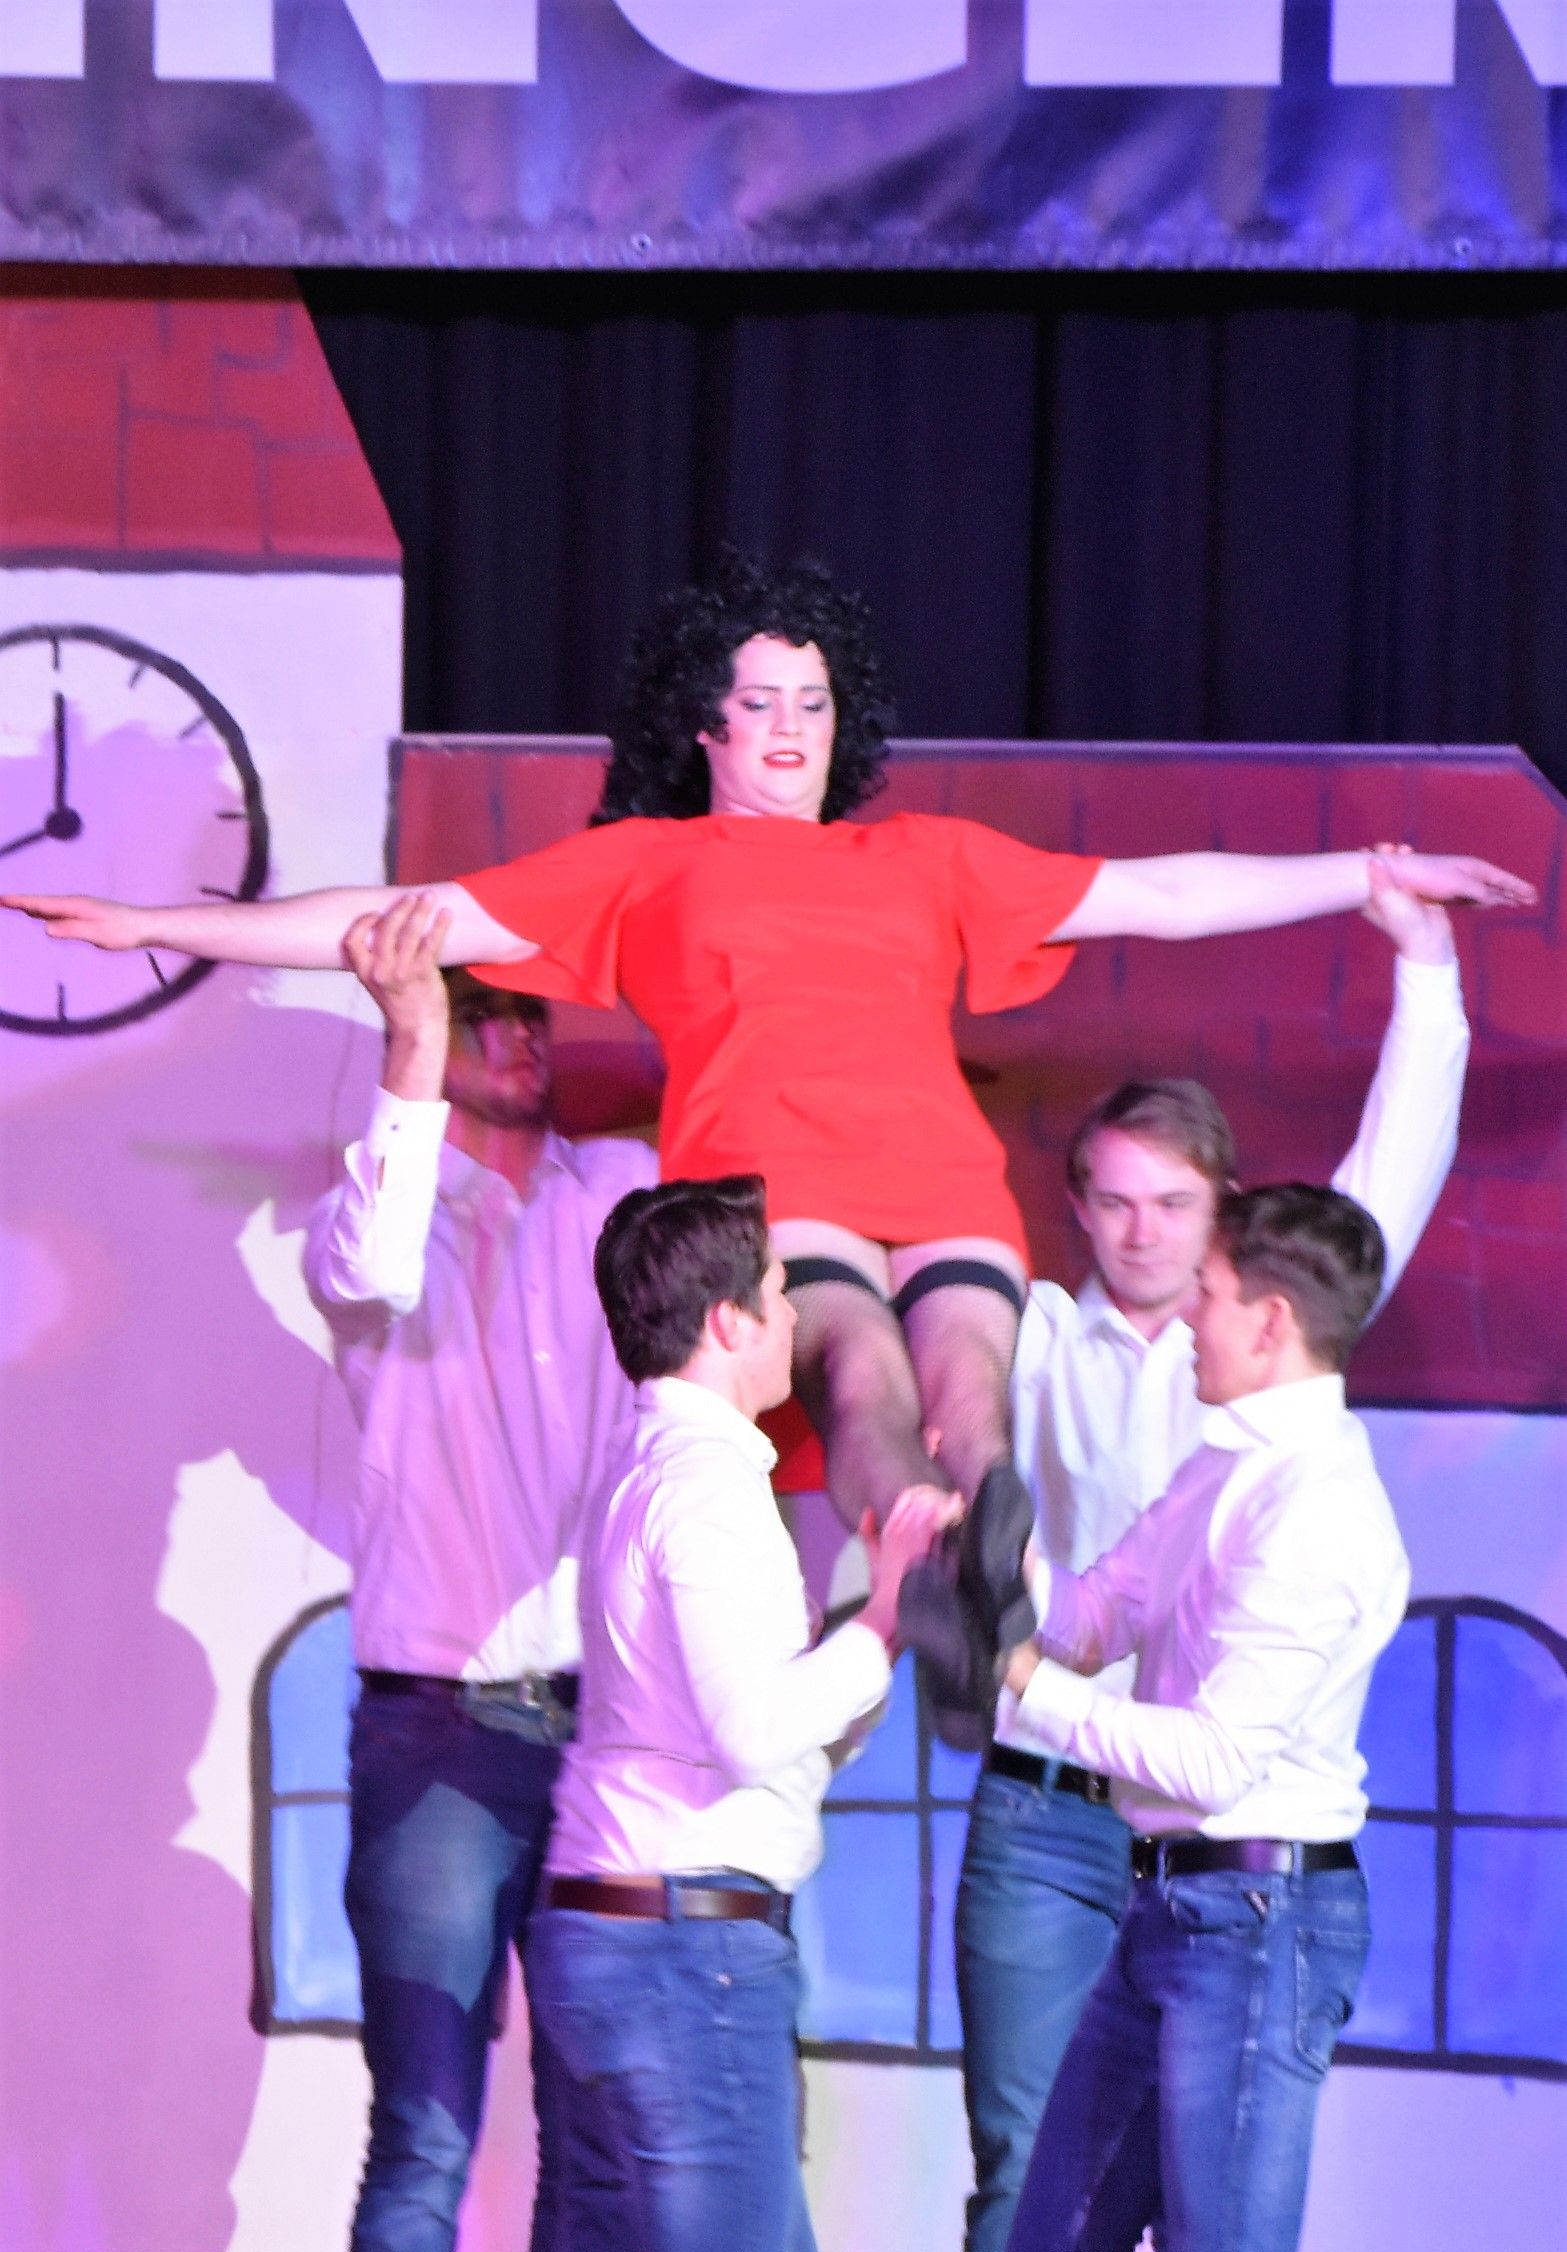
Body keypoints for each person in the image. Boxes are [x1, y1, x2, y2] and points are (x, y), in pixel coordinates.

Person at [1, 551, 1530, 1721]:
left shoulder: (925, 857)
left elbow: (1162, 892)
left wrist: (1368, 875)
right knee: (860, 1375)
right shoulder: (643, 866)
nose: (791, 727)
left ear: (839, 720)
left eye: (814, 701)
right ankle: (924, 1563)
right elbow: (402, 916)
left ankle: (978, 1569)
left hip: (936, 1169)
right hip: (782, 1183)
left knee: (971, 1390)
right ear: (705, 723)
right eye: (761, 701)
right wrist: (158, 922)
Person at [955, 866, 1468, 2252]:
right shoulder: (1053, 1348)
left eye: (1176, 1208)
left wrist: (1424, 975)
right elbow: (1080, 1584)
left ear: (1232, 1239)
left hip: (1224, 1847)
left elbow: (1382, 1191)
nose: (1144, 1239)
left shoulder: (1281, 1409)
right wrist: (971, 1605)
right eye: (1110, 1202)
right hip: (1067, 1818)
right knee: (1035, 2197)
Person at [965, 1181, 1410, 2252]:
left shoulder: (1325, 1512)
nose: (1185, 1312)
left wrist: (1022, 1689)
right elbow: (1104, 1609)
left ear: (1270, 1320)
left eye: (1208, 1290)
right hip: (1174, 1913)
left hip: (1259, 1919)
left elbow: (1216, 1757)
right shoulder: (1225, 1464)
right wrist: (990, 1583)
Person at [526, 1173, 954, 2252]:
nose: (795, 1321)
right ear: (725, 1321)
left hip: (662, 1939)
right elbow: (756, 1729)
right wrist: (887, 1620)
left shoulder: (670, 1469)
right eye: (781, 1295)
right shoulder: (703, 1488)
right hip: (680, 1954)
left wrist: (862, 1634)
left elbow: (750, 1728)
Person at [304, 890, 656, 2252]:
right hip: (437, 1726)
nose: (515, 1033)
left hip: (605, 1729)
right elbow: (363, 1269)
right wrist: (408, 1051)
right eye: (479, 1008)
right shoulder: (382, 1205)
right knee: (428, 2135)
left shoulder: (621, 1194)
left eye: (530, 1009)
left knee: (595, 2140)